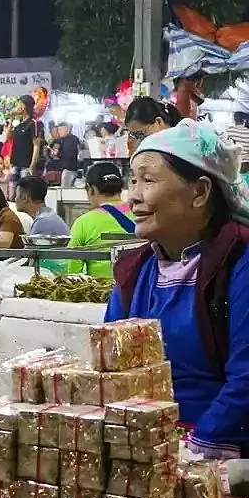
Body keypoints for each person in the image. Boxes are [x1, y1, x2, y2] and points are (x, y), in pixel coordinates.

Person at [108, 119, 249, 458]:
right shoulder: (134, 271)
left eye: (148, 180)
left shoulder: (239, 261)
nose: (133, 197)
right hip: (148, 448)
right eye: (133, 181)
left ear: (200, 192)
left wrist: (194, 449)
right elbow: (111, 367)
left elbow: (246, 377)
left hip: (224, 451)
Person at [66, 162, 135, 277]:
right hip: (140, 291)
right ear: (122, 187)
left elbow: (73, 274)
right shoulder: (141, 215)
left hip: (103, 292)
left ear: (91, 189)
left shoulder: (83, 223)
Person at [7, 95, 43, 181]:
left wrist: (32, 165)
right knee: (12, 190)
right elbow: (8, 137)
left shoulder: (34, 123)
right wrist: (11, 118)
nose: (17, 107)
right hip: (15, 163)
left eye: (19, 104)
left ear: (24, 106)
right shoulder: (18, 124)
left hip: (26, 165)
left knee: (24, 191)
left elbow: (36, 145)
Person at [53, 123, 83, 187]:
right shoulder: (59, 140)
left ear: (67, 130)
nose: (59, 132)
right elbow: (54, 152)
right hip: (65, 169)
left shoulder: (76, 139)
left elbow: (79, 151)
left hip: (74, 168)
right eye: (58, 130)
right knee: (65, 189)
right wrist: (55, 152)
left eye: (61, 130)